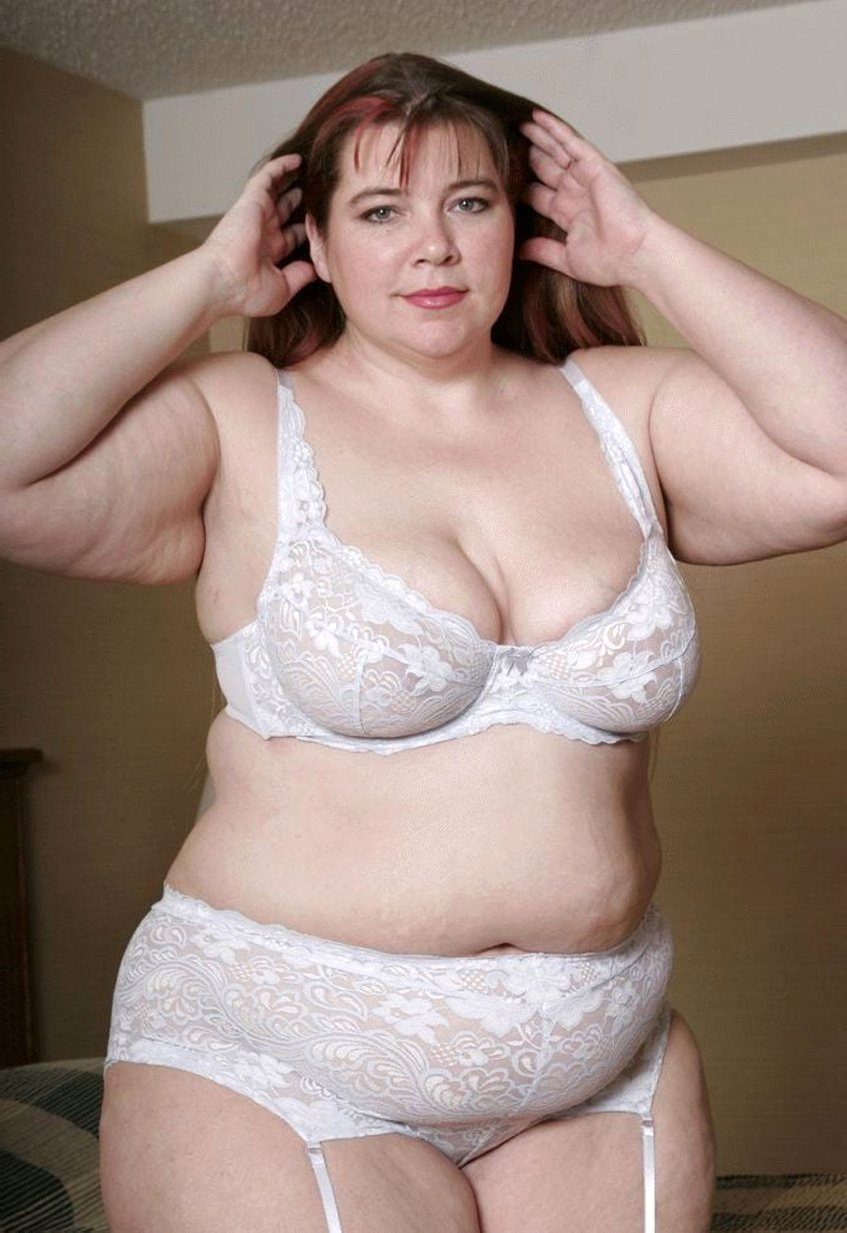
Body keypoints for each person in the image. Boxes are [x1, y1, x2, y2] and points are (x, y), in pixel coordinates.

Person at [1, 49, 844, 1233]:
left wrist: (649, 248)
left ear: (521, 225)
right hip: (274, 1055)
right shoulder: (241, 422)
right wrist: (203, 283)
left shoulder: (627, 408)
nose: (433, 247)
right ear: (313, 237)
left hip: (596, 1065)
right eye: (381, 211)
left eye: (470, 202)